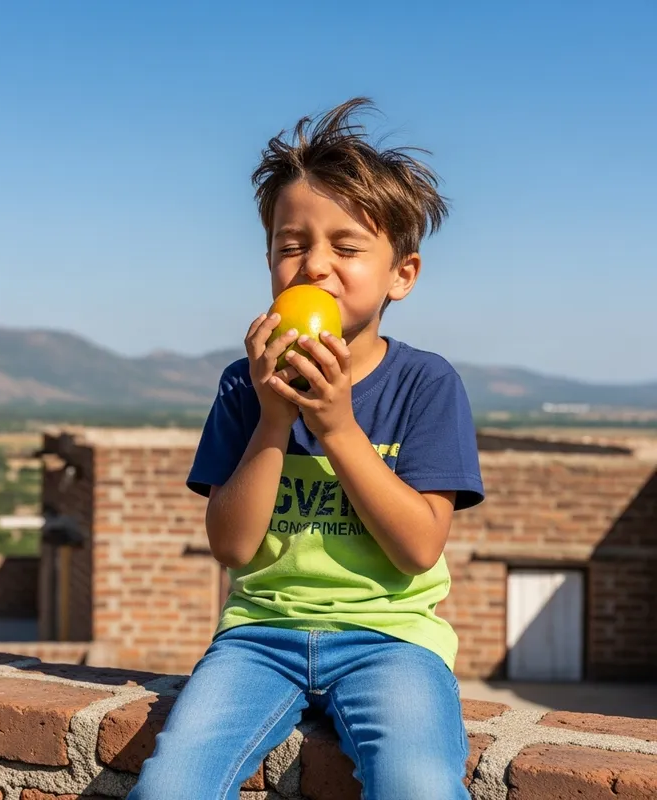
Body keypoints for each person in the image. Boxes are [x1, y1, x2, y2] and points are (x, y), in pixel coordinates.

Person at [128, 97, 484, 800]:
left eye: (347, 248)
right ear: (268, 261)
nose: (315, 265)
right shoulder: (244, 384)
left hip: (393, 642)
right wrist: (271, 419)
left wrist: (337, 428)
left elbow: (419, 548)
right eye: (292, 245)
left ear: (401, 275)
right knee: (171, 786)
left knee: (418, 787)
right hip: (260, 636)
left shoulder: (425, 383)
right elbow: (232, 547)